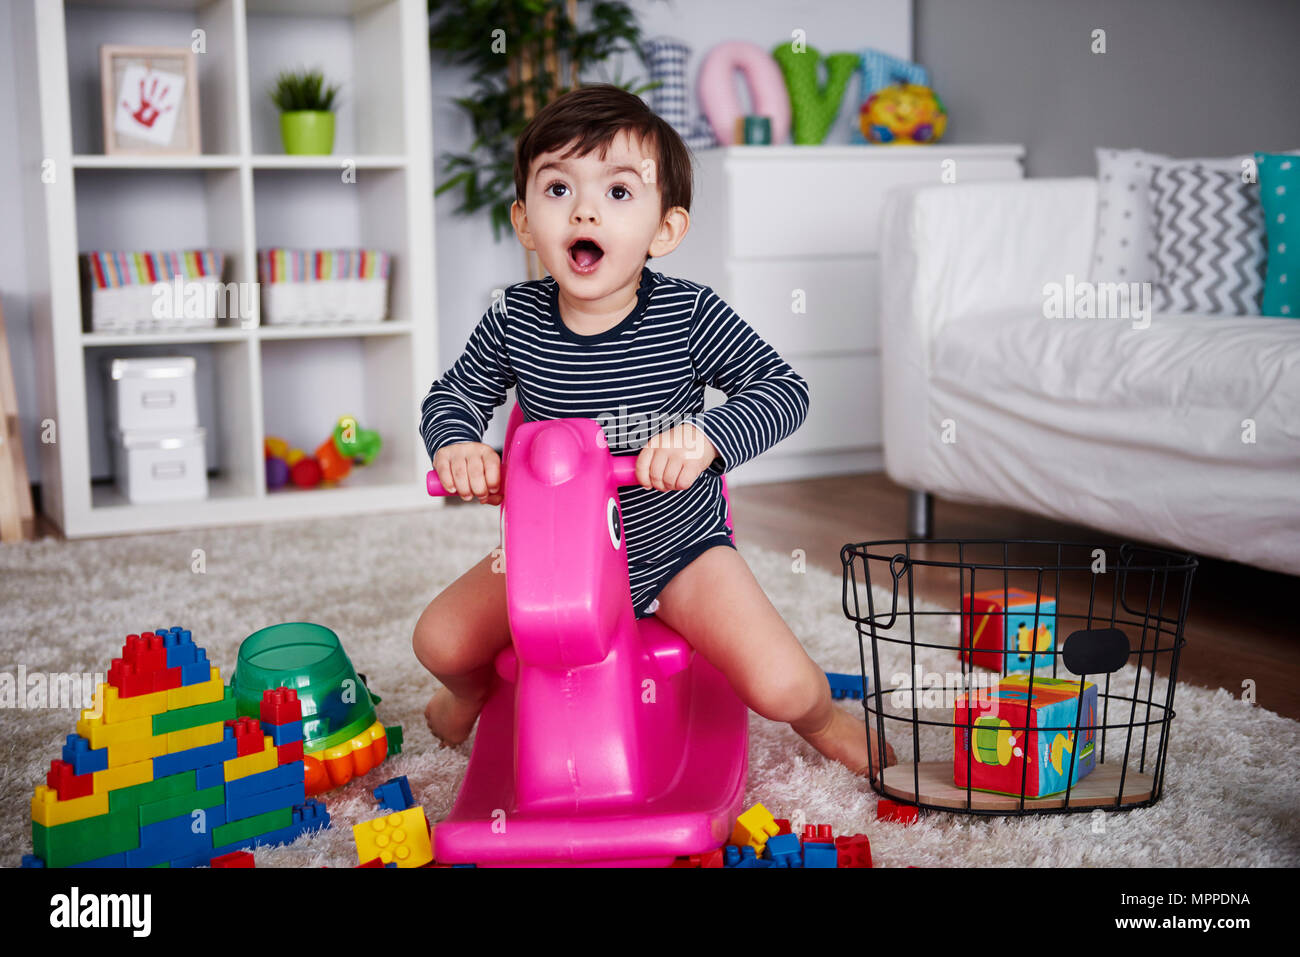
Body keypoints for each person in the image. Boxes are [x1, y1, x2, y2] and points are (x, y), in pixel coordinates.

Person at [414, 84, 895, 778]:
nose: (583, 208)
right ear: (524, 222)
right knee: (440, 640)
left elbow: (784, 389)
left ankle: (824, 717)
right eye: (557, 189)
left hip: (681, 551)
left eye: (617, 192)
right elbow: (453, 393)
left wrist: (707, 436)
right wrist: (458, 442)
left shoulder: (689, 314)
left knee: (780, 684)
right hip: (556, 554)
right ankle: (475, 691)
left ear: (664, 230)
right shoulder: (513, 320)